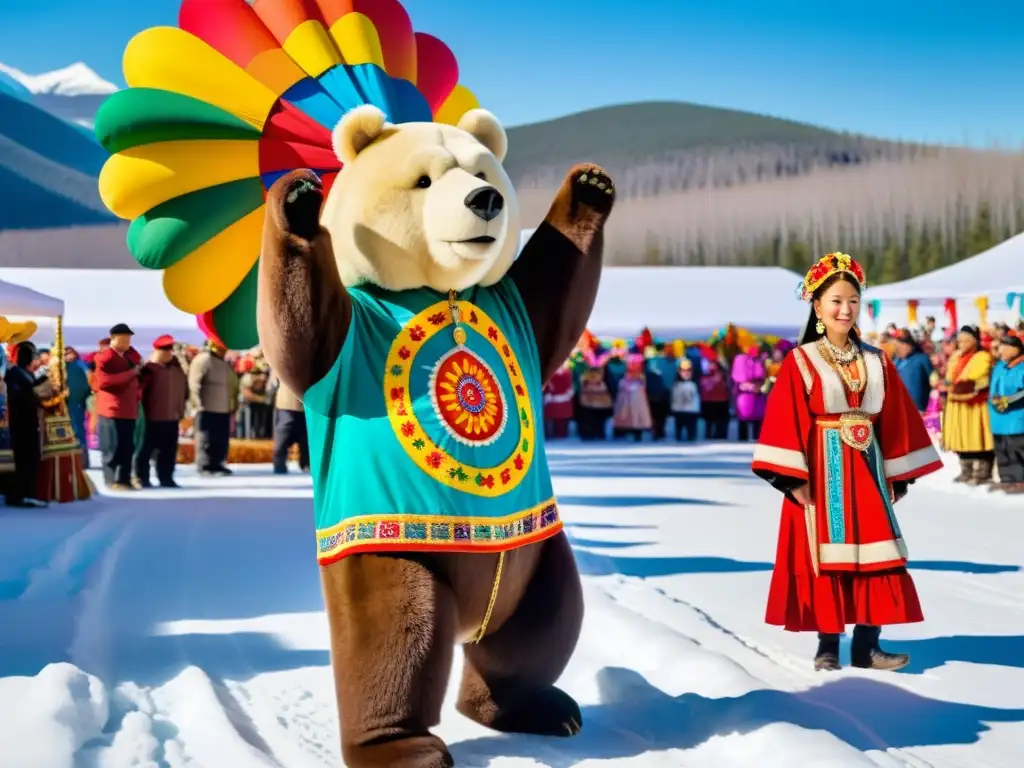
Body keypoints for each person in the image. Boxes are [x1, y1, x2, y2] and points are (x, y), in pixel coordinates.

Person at [751, 252, 942, 672]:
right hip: (822, 471)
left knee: (878, 556)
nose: (845, 309)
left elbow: (895, 419)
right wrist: (789, 478)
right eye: (836, 300)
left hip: (868, 470)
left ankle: (868, 645)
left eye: (853, 301)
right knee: (827, 556)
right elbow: (786, 419)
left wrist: (898, 475)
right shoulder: (801, 361)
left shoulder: (877, 359)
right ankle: (828, 646)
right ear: (817, 306)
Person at [92, 324, 143, 490]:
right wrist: (131, 374)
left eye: (128, 338)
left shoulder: (132, 357)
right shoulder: (105, 358)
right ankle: (111, 479)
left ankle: (124, 478)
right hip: (111, 410)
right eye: (123, 338)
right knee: (112, 447)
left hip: (129, 410)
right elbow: (104, 382)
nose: (126, 341)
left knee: (127, 447)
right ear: (113, 338)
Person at [943, 325, 995, 484]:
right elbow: (950, 376)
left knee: (977, 435)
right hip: (956, 404)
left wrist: (957, 385)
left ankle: (982, 471)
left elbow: (977, 378)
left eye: (966, 341)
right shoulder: (956, 356)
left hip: (975, 404)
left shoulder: (983, 356)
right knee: (960, 436)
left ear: (974, 341)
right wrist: (947, 383)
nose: (962, 344)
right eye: (960, 341)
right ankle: (966, 469)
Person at [135, 335, 189, 488]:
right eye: (164, 349)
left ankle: (166, 477)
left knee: (168, 450)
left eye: (169, 349)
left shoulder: (177, 370)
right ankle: (142, 477)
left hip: (172, 417)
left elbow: (184, 391)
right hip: (151, 417)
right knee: (146, 449)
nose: (168, 353)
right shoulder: (149, 370)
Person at [188, 340, 239, 476]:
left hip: (223, 408)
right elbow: (194, 384)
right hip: (206, 407)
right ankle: (205, 466)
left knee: (220, 439)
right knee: (206, 438)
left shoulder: (222, 362)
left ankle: (218, 464)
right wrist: (197, 404)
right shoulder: (203, 359)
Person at [4, 342, 46, 507]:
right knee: (23, 458)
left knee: (30, 457)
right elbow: (19, 396)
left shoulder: (26, 374)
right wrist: (35, 397)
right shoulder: (14, 374)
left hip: (30, 420)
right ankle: (20, 494)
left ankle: (28, 492)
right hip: (20, 421)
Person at [988, 334, 1024, 493]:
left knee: (1016, 449)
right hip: (998, 419)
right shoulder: (999, 366)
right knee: (1002, 449)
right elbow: (992, 388)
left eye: (1003, 347)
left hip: (1017, 418)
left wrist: (1008, 400)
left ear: (1014, 349)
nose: (1000, 351)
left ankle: (1020, 481)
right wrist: (994, 400)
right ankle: (1007, 480)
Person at [271, 377, 310, 474]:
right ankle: (279, 464)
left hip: (305, 400)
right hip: (287, 401)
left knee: (305, 434)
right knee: (283, 434)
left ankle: (306, 463)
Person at [732, 345, 767, 441]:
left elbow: (763, 376)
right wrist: (747, 386)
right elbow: (738, 378)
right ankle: (743, 441)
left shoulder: (761, 361)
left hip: (757, 396)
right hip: (745, 396)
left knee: (757, 421)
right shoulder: (741, 360)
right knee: (744, 420)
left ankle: (757, 440)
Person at [892, 329, 933, 412]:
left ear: (909, 345)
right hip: (900, 409)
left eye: (901, 345)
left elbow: (934, 381)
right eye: (897, 345)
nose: (897, 348)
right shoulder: (896, 362)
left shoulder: (922, 359)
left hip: (919, 409)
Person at [670, 358, 700, 441]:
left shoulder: (694, 384)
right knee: (678, 433)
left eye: (688, 370)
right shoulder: (676, 384)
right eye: (683, 370)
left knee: (691, 434)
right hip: (679, 411)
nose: (686, 373)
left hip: (691, 411)